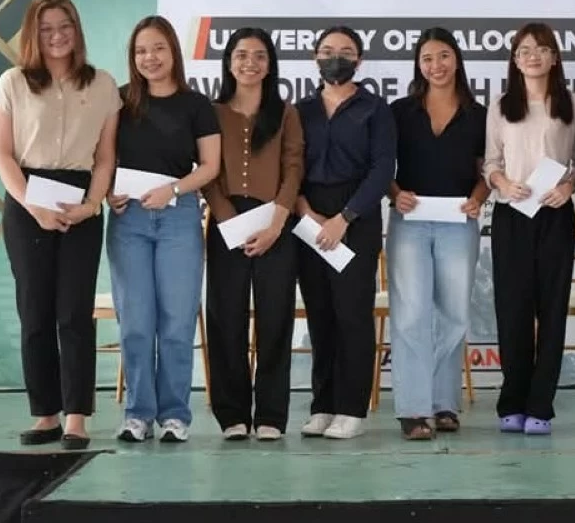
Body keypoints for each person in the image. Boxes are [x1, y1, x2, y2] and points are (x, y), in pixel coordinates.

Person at [0, 0, 120, 450]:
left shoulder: (103, 84)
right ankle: (45, 414)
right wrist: (31, 204)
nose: (57, 35)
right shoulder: (13, 82)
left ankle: (77, 418)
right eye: (46, 28)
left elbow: (105, 158)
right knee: (36, 311)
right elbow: (2, 155)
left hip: (81, 201)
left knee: (74, 313)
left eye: (64, 26)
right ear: (33, 34)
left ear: (77, 30)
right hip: (28, 201)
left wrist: (92, 204)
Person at [106, 16, 220, 444]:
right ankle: (138, 414)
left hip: (178, 217)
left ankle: (175, 415)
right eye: (140, 51)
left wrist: (172, 188)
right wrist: (107, 194)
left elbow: (210, 166)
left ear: (173, 51)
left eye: (157, 48)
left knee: (176, 322)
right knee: (135, 321)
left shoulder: (196, 105)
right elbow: (102, 161)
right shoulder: (117, 102)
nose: (149, 58)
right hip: (127, 220)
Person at [295, 26, 397, 440]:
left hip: (356, 218)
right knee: (319, 315)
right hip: (307, 216)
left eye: (345, 51)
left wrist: (344, 217)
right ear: (315, 58)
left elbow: (381, 169)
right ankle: (323, 405)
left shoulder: (375, 109)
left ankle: (351, 408)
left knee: (352, 314)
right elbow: (290, 165)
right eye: (327, 50)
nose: (335, 57)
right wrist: (306, 210)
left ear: (359, 60)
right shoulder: (300, 110)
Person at [202, 28, 303, 442]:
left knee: (275, 318)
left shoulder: (285, 113)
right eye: (241, 55)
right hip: (227, 220)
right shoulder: (212, 111)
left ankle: (272, 416)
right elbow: (206, 169)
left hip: (274, 222)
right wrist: (227, 218)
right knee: (226, 318)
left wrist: (276, 221)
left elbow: (294, 167)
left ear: (270, 64)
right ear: (229, 62)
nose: (250, 63)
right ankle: (232, 415)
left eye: (259, 56)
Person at [483, 22, 575, 435]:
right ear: (514, 59)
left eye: (542, 49)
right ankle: (513, 400)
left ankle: (541, 404)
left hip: (554, 213)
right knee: (513, 311)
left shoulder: (573, 103)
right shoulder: (501, 104)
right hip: (511, 214)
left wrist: (568, 188)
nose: (532, 56)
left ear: (554, 57)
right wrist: (503, 184)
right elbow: (489, 162)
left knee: (552, 310)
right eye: (524, 49)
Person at [387, 29, 488, 440]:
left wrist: (478, 199)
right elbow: (381, 167)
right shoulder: (399, 112)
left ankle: (444, 402)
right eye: (427, 59)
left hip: (459, 222)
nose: (436, 66)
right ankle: (413, 409)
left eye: (444, 56)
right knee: (411, 315)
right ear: (418, 65)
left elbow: (487, 171)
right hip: (409, 224)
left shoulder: (479, 114)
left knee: (454, 314)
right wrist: (395, 195)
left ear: (457, 61)